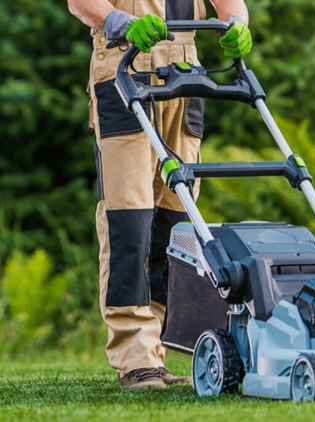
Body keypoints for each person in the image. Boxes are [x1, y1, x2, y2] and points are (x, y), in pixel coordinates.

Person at [67, 0, 252, 388]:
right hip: (124, 63)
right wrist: (120, 21)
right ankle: (135, 355)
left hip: (185, 73)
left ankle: (157, 353)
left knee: (175, 225)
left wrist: (237, 23)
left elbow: (229, 2)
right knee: (129, 220)